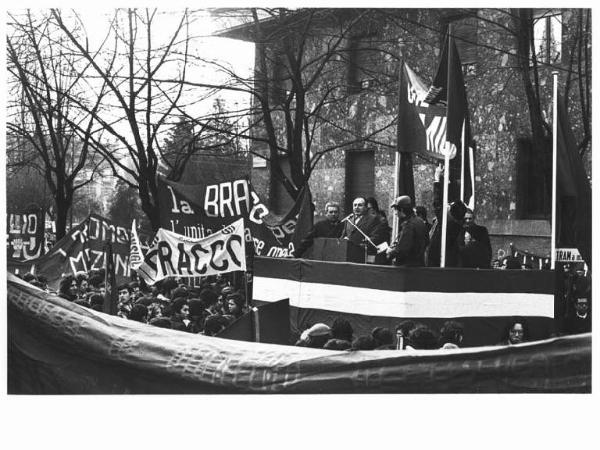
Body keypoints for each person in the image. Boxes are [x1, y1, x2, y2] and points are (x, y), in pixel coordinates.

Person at [426, 164, 466, 267]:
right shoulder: (456, 222)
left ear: (451, 214)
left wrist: (437, 178)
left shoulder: (447, 223)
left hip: (437, 259)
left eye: (449, 206)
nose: (447, 205)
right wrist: (448, 181)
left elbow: (437, 202)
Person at [386, 195, 428, 267]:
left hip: (407, 267)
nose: (395, 213)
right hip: (420, 264)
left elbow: (403, 249)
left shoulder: (409, 225)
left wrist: (390, 253)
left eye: (396, 209)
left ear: (401, 210)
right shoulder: (420, 221)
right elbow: (427, 241)